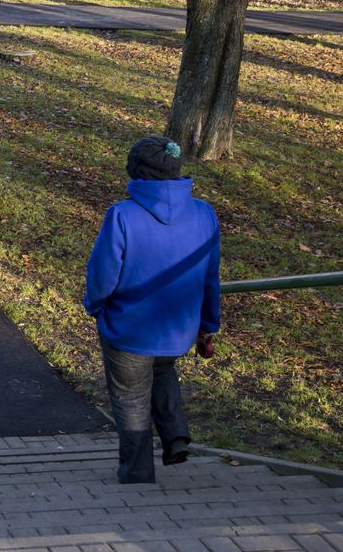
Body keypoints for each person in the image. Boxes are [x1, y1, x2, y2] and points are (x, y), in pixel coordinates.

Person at [83, 135, 221, 483]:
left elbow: (103, 275)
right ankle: (175, 437)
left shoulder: (122, 215)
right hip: (179, 326)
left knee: (130, 396)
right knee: (161, 370)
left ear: (137, 172)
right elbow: (210, 276)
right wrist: (208, 322)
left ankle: (136, 471)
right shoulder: (204, 213)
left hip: (130, 327)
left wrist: (96, 306)